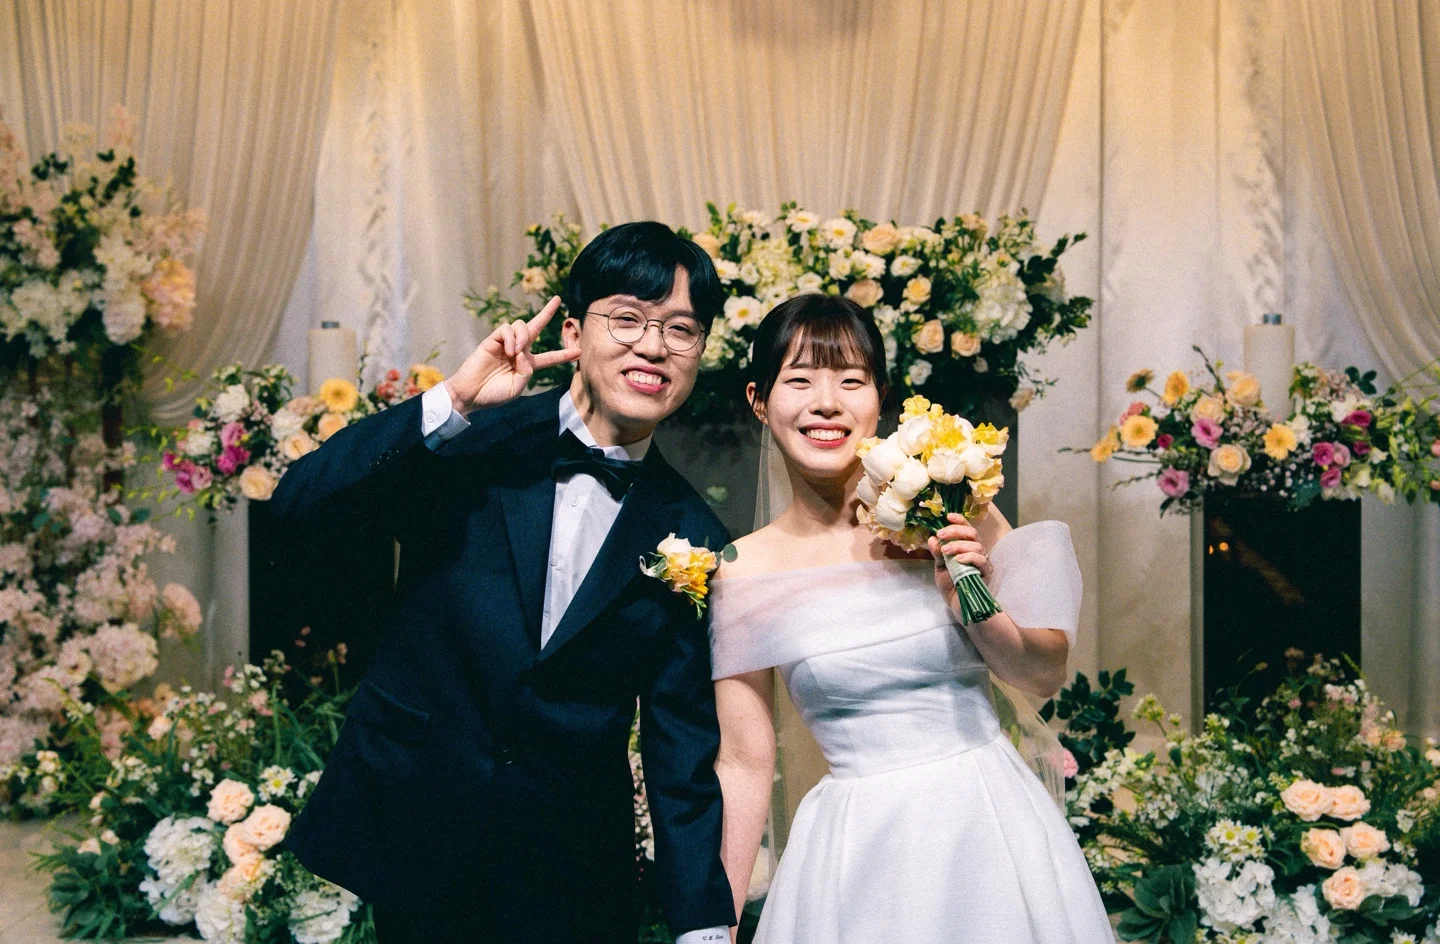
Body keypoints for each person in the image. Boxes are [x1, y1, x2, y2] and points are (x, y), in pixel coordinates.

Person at [271, 222, 736, 944]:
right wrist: (452, 401)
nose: (653, 346)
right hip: (420, 825)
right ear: (574, 332)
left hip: (571, 872)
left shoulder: (692, 534)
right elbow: (300, 504)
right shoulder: (473, 438)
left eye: (680, 329)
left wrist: (701, 925)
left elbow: (681, 749)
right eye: (628, 318)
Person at [709, 294, 1114, 942]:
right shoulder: (742, 570)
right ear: (759, 401)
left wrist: (971, 603)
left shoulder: (953, 506)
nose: (826, 403)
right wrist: (716, 927)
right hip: (857, 849)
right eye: (800, 380)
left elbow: (1043, 675)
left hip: (988, 822)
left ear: (881, 397)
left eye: (851, 380)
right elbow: (743, 763)